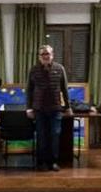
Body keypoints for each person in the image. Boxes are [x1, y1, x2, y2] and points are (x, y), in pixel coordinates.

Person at [25, 44, 71, 172]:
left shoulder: (59, 68)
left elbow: (64, 89)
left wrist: (68, 107)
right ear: (39, 57)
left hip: (55, 109)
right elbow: (29, 90)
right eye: (43, 54)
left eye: (47, 54)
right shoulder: (33, 70)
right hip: (39, 109)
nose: (45, 56)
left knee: (55, 135)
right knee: (41, 136)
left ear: (52, 55)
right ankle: (42, 162)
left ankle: (54, 162)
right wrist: (28, 108)